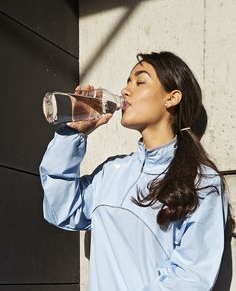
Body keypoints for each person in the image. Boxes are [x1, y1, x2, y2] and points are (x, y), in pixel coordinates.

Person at [39, 51, 233, 291]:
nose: (125, 91)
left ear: (171, 98)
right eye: (128, 81)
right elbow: (62, 210)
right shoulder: (111, 171)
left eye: (140, 81)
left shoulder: (201, 182)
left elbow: (190, 279)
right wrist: (73, 135)